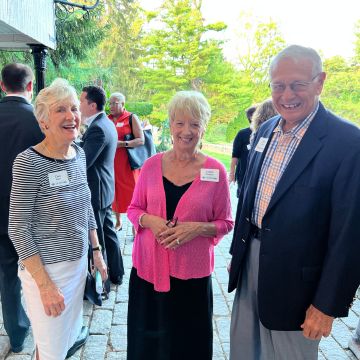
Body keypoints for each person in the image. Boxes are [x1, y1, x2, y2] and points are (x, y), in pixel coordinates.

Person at [228, 44, 360, 360]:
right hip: (251, 267)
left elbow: (350, 235)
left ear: (319, 82)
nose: (287, 94)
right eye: (278, 85)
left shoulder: (347, 143)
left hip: (299, 287)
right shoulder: (266, 130)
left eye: (297, 84)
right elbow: (248, 199)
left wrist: (327, 305)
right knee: (243, 352)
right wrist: (239, 253)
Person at [127, 90, 234, 360]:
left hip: (191, 278)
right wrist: (149, 220)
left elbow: (226, 222)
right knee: (148, 347)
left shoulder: (215, 171)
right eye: (180, 123)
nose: (186, 131)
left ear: (203, 128)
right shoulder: (151, 166)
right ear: (170, 124)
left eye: (195, 124)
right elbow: (133, 209)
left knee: (188, 346)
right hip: (149, 274)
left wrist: (196, 228)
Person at [8, 79, 108, 360]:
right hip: (46, 271)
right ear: (43, 122)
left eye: (74, 108)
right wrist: (46, 286)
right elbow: (17, 228)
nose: (71, 116)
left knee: (57, 343)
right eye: (60, 110)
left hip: (76, 266)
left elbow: (86, 204)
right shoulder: (29, 162)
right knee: (52, 350)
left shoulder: (78, 154)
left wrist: (97, 251)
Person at [0, 63, 43, 353]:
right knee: (42, 271)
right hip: (32, 215)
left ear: (3, 86)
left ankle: (16, 334)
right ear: (30, 87)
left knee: (6, 274)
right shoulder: (39, 121)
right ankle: (48, 327)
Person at [80, 86, 124, 286]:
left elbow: (84, 161)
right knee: (108, 233)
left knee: (99, 241)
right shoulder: (104, 122)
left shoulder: (97, 127)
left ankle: (102, 284)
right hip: (105, 189)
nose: (78, 106)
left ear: (92, 105)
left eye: (81, 102)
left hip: (97, 191)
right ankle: (117, 273)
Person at [108, 92, 144, 231]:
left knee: (132, 193)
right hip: (111, 164)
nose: (111, 106)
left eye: (114, 103)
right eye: (110, 103)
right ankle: (118, 222)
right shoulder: (108, 119)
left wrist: (123, 144)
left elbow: (141, 140)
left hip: (128, 164)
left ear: (123, 104)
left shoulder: (131, 117)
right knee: (114, 193)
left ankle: (135, 226)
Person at [229, 105, 256, 197]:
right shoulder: (242, 134)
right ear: (252, 117)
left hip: (257, 176)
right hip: (243, 174)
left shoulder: (265, 133)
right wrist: (232, 175)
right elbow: (235, 155)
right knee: (242, 198)